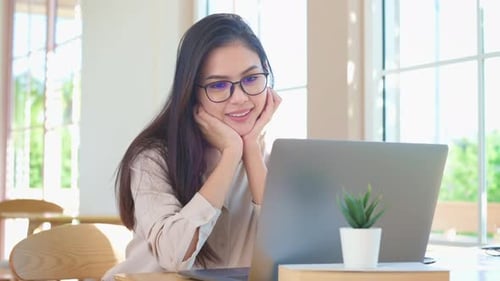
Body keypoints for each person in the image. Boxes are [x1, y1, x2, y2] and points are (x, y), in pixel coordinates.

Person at [102, 13, 281, 280]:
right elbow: (175, 257)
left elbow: (287, 255)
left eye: (252, 78)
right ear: (191, 92)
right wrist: (231, 155)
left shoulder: (268, 159)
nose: (241, 98)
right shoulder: (152, 159)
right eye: (218, 85)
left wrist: (251, 150)